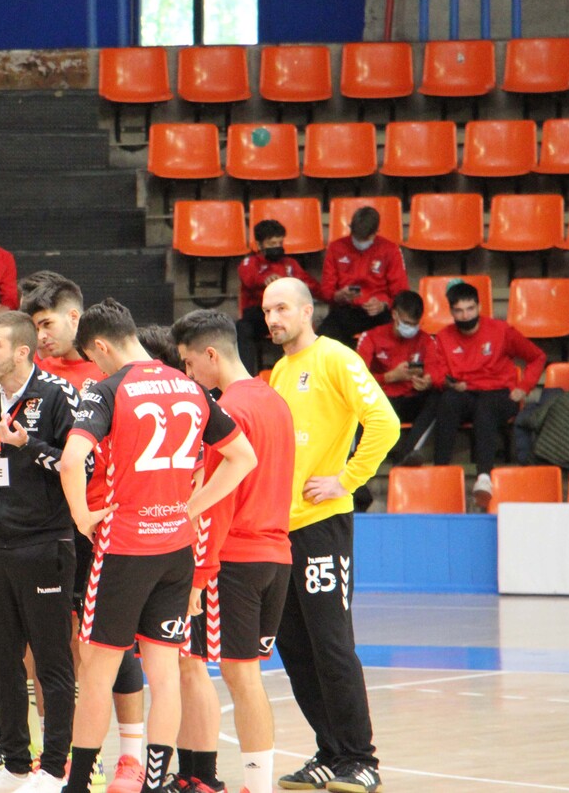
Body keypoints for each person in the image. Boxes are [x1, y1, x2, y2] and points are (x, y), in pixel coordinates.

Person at [58, 299, 257, 793]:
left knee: (97, 670)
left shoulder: (108, 389)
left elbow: (71, 460)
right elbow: (242, 457)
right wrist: (190, 508)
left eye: (93, 357)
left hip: (125, 548)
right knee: (165, 672)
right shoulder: (191, 387)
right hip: (176, 551)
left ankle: (77, 784)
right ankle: (151, 782)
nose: (95, 366)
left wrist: (82, 516)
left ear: (101, 346)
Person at [263, 277, 399, 793]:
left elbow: (383, 422)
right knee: (296, 649)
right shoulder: (280, 370)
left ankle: (361, 759)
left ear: (306, 311)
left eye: (281, 308)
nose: (272, 319)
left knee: (332, 644)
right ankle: (331, 751)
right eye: (267, 310)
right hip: (281, 530)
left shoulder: (336, 358)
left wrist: (346, 480)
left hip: (322, 525)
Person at [19, 272, 147, 790]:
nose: (41, 336)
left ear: (75, 317)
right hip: (51, 527)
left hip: (105, 523)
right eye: (34, 326)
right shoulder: (33, 372)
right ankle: (62, 751)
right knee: (50, 645)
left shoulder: (110, 369)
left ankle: (131, 757)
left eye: (47, 323)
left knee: (113, 645)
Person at [0, 311, 78, 793]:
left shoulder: (56, 394)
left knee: (51, 662)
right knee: (2, 664)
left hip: (45, 544)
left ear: (23, 352)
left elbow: (78, 465)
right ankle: (16, 763)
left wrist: (28, 445)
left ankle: (55, 767)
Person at [172, 310, 296, 793]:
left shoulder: (226, 412)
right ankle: (253, 783)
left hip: (235, 561)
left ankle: (253, 786)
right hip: (276, 554)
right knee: (248, 678)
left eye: (188, 363)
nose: (187, 375)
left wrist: (199, 574)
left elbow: (218, 505)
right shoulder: (276, 401)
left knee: (238, 678)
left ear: (211, 355)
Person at [429, 280, 546, 510]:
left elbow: (537, 357)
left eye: (470, 309)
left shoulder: (501, 331)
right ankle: (439, 471)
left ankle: (484, 477)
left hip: (500, 394)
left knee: (485, 408)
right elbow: (436, 372)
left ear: (479, 307)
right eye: (459, 311)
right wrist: (449, 383)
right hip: (465, 392)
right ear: (451, 312)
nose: (465, 315)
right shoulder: (443, 337)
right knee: (447, 401)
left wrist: (524, 387)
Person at [355, 289, 443, 465]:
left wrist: (427, 381)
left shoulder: (426, 340)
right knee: (357, 400)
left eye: (415, 324)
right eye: (407, 323)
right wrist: (388, 377)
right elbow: (356, 379)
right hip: (383, 399)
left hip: (412, 398)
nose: (411, 329)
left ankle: (406, 455)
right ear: (394, 315)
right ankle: (357, 460)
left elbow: (436, 371)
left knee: (441, 398)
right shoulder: (371, 337)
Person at [236, 219, 322, 374]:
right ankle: (244, 377)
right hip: (258, 315)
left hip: (286, 314)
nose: (277, 247)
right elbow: (248, 278)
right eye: (271, 243)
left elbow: (311, 285)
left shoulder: (290, 264)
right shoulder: (250, 262)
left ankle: (308, 371)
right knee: (242, 329)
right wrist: (264, 280)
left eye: (280, 243)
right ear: (259, 244)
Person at [318, 208, 407, 346]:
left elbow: (401, 293)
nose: (360, 242)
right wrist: (337, 296)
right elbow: (326, 290)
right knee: (320, 344)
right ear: (350, 229)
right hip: (346, 310)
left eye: (364, 239)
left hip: (380, 312)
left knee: (397, 340)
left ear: (375, 233)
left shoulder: (390, 250)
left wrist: (384, 304)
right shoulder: (336, 248)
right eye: (356, 237)